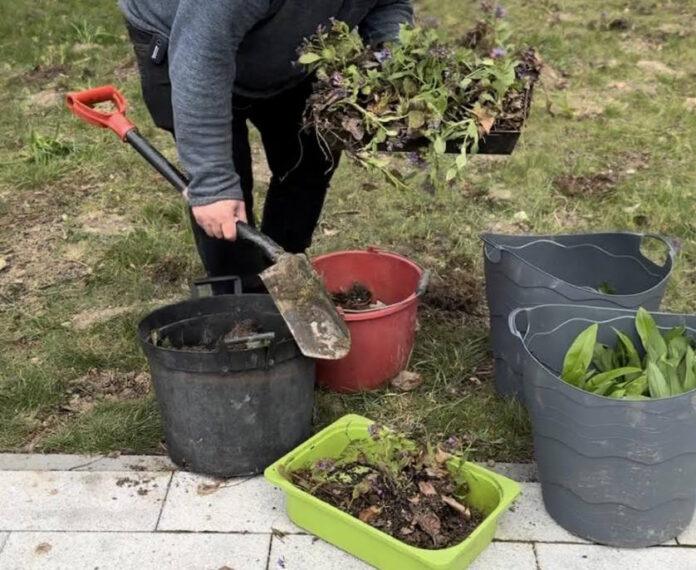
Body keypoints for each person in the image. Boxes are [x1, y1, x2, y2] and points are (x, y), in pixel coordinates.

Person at [119, 0, 413, 289]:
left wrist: (394, 71)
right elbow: (202, 56)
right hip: (189, 41)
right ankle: (238, 296)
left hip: (280, 37)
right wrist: (212, 184)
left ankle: (281, 271)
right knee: (224, 193)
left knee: (312, 155)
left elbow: (387, 4)